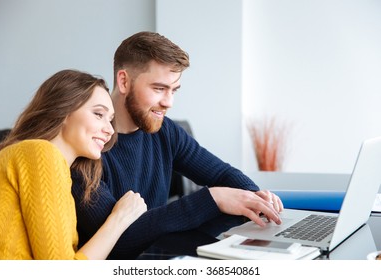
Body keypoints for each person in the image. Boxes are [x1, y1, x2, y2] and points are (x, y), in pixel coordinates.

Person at [72, 31, 284, 259]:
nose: (168, 102)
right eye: (159, 89)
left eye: (174, 90)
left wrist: (256, 197)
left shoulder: (165, 131)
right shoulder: (87, 146)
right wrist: (212, 199)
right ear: (124, 81)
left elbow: (221, 173)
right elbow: (116, 244)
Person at [0, 69, 147, 260]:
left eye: (111, 120)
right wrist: (119, 219)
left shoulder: (58, 170)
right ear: (64, 110)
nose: (109, 130)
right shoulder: (39, 152)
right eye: (99, 114)